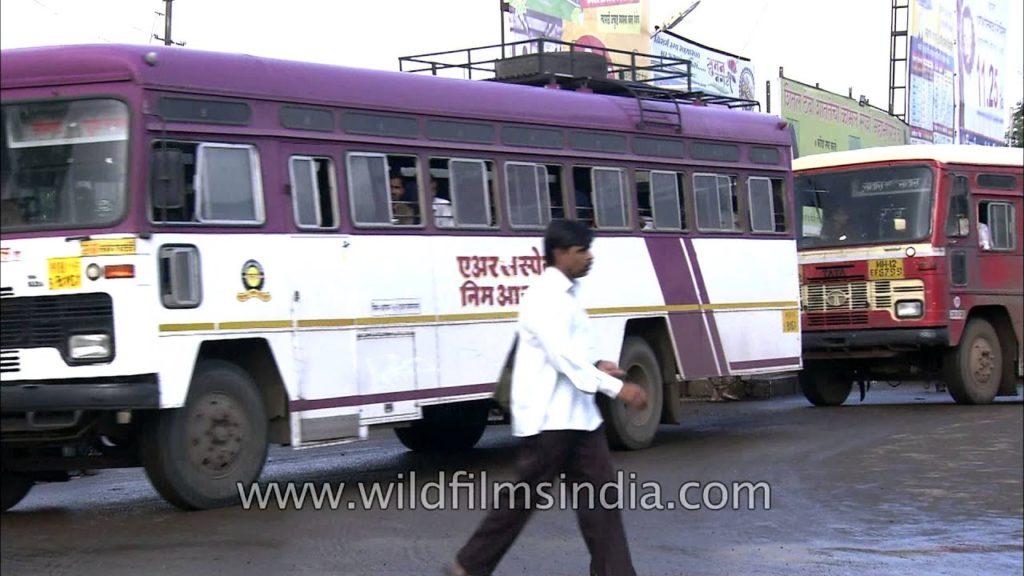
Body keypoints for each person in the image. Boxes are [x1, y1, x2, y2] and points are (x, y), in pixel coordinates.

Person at [445, 219, 648, 576]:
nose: (590, 257)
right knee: (521, 501)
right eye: (582, 250)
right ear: (560, 253)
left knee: (601, 503)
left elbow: (576, 354)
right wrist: (619, 389)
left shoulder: (570, 294)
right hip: (548, 421)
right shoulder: (544, 297)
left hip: (580, 419)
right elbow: (564, 359)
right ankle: (468, 566)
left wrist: (599, 364)